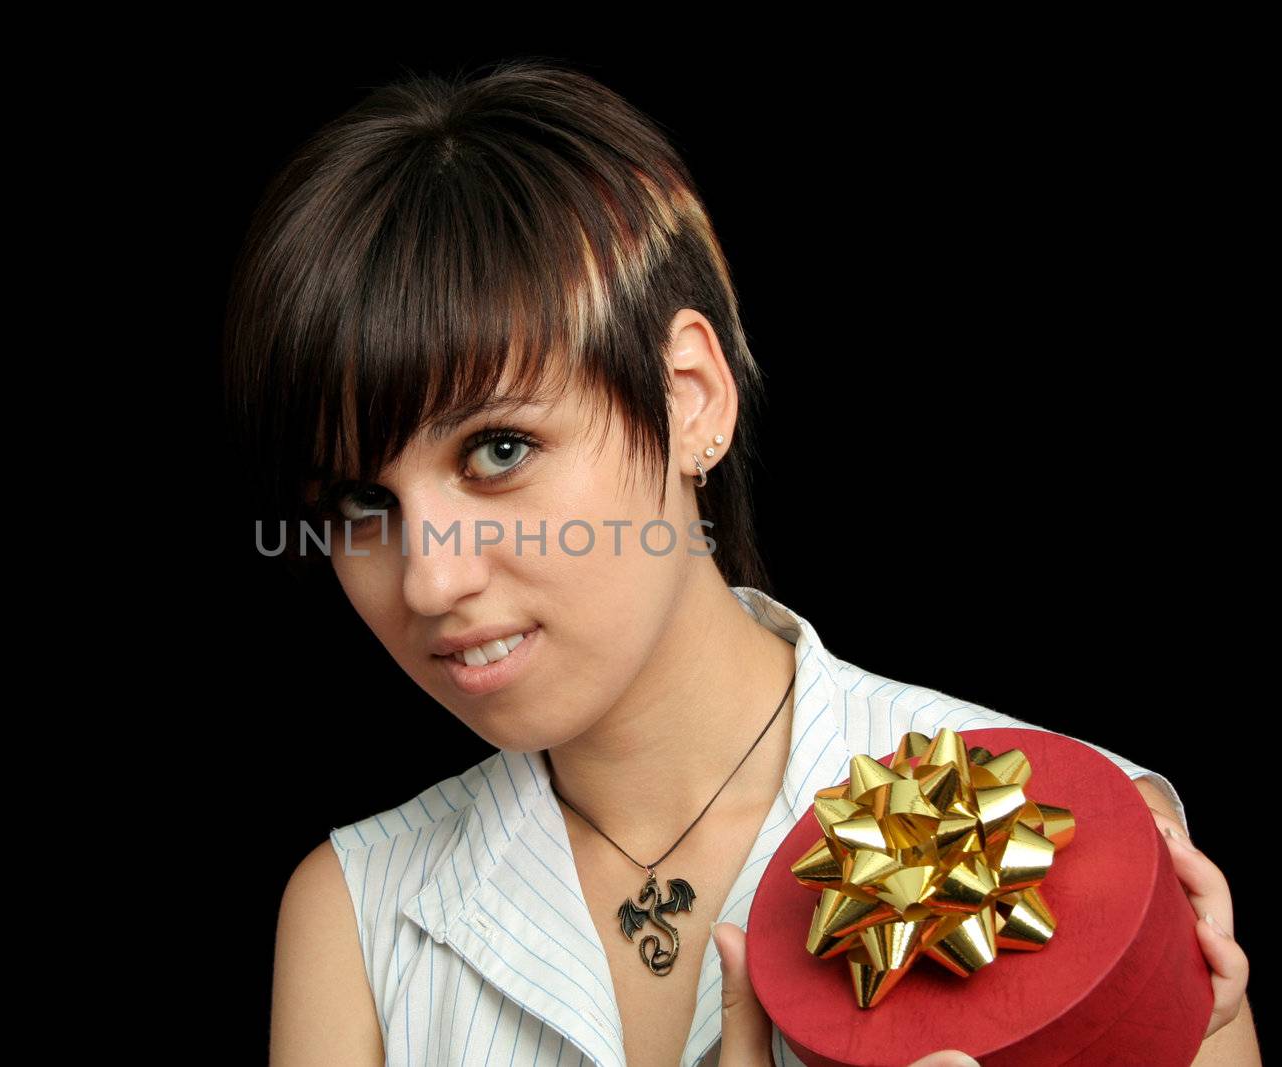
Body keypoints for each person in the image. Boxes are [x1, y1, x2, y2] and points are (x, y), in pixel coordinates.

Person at [227, 58, 1257, 1066]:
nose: (428, 580)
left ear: (689, 397)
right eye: (361, 503)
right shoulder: (360, 915)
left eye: (499, 450)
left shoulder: (1064, 833)